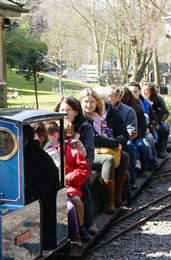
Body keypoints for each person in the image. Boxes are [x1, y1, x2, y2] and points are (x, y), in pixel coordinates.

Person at [79, 88, 130, 212]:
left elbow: (119, 133)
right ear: (80, 102)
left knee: (124, 156)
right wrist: (114, 143)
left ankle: (118, 196)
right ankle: (109, 201)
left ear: (97, 103)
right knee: (109, 159)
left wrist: (115, 143)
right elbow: (94, 139)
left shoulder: (97, 117)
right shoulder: (81, 118)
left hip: (99, 149)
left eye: (92, 102)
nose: (89, 105)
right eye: (86, 102)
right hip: (87, 153)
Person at [54, 97, 97, 235]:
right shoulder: (53, 127)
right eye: (61, 110)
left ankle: (89, 222)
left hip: (78, 168)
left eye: (68, 110)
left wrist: (74, 174)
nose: (64, 114)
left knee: (83, 184)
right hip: (62, 169)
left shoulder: (85, 127)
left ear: (76, 112)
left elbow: (89, 154)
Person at [45, 121, 91, 243]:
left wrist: (67, 178)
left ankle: (79, 229)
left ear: (55, 135)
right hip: (49, 187)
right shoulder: (43, 153)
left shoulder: (71, 152)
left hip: (67, 186)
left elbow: (83, 169)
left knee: (76, 202)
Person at [23, 124, 60, 249]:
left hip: (45, 212)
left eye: (7, 140)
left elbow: (35, 192)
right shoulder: (24, 155)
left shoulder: (38, 160)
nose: (4, 145)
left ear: (24, 141)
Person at [106, 86, 138, 189]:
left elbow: (132, 130)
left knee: (129, 147)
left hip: (123, 139)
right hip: (107, 141)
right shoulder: (101, 111)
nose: (106, 99)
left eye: (109, 96)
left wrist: (119, 141)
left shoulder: (128, 111)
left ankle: (131, 178)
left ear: (118, 97)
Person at [120, 87, 150, 177]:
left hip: (137, 136)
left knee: (141, 146)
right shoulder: (115, 110)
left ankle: (143, 168)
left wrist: (135, 135)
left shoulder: (137, 109)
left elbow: (142, 127)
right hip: (124, 137)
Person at [141, 82, 171, 157]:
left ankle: (162, 149)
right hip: (144, 122)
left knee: (163, 128)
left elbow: (164, 112)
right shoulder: (139, 100)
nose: (144, 92)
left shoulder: (158, 100)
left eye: (147, 90)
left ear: (151, 91)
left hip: (157, 120)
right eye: (143, 90)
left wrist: (158, 121)